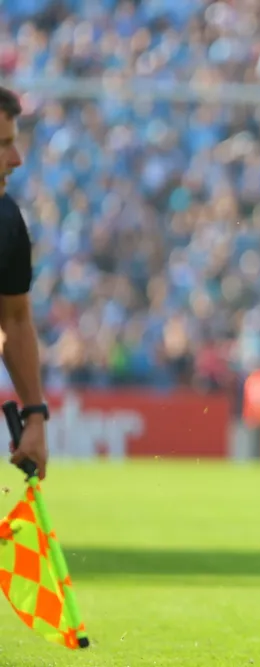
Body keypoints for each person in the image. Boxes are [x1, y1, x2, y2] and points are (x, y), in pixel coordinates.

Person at [0, 86, 49, 480]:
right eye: (2, 146)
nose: (15, 160)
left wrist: (34, 415)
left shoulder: (7, 223)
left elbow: (14, 319)